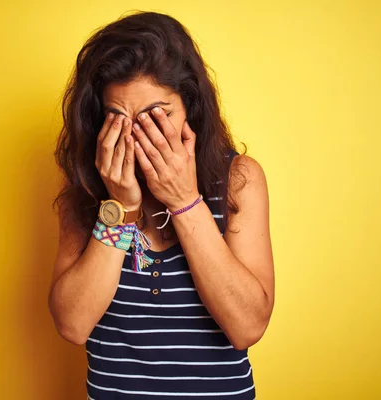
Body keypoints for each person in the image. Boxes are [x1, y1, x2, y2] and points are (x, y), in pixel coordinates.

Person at [49, 11, 275, 399]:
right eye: (118, 117)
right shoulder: (88, 189)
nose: (138, 137)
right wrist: (119, 207)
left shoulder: (240, 180)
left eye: (156, 116)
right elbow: (73, 325)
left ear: (190, 108)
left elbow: (247, 327)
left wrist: (185, 201)